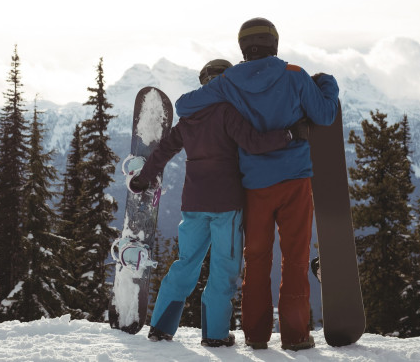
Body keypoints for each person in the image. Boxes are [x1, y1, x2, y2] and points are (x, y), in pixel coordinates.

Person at [174, 18, 339, 351]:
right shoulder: (295, 74)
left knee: (257, 257)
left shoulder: (230, 80)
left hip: (254, 185)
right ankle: (295, 335)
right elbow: (324, 115)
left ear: (242, 46)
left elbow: (183, 105)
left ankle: (255, 334)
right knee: (295, 256)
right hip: (294, 180)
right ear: (274, 43)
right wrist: (328, 84)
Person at [128, 59, 309, 348]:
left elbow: (163, 151)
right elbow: (254, 142)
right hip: (226, 205)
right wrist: (289, 135)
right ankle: (214, 334)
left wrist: (142, 179)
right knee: (223, 269)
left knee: (186, 263)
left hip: (194, 203)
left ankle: (161, 326)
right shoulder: (228, 112)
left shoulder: (189, 118)